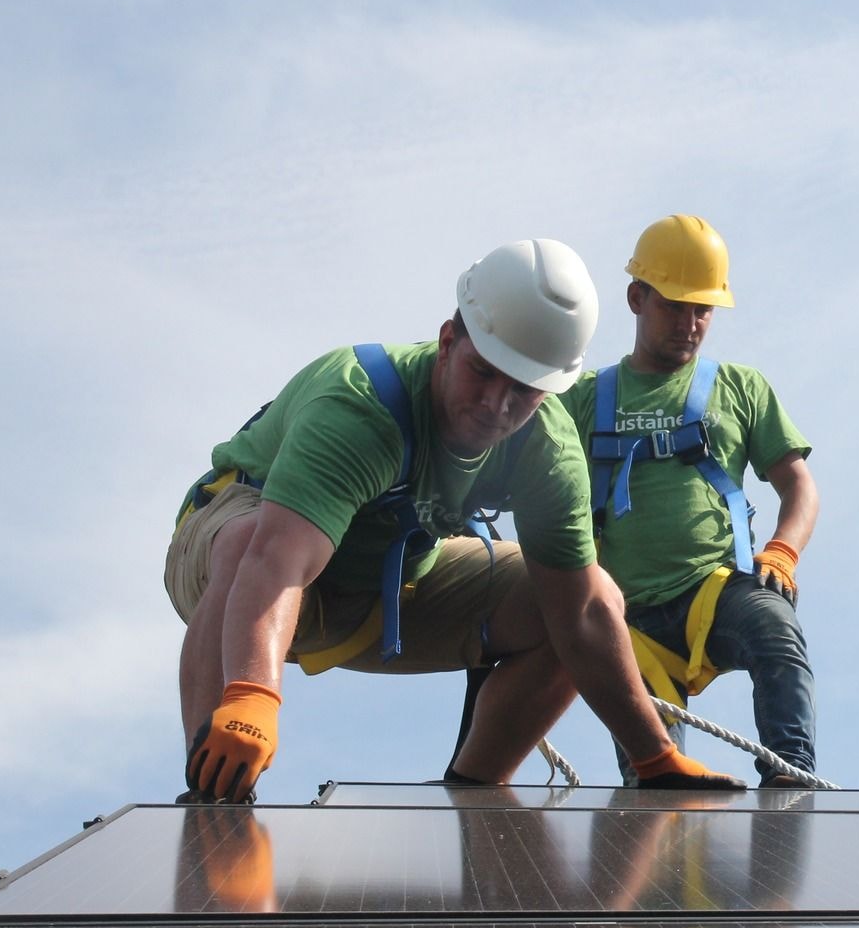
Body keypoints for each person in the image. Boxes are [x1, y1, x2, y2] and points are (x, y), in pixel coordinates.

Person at [164, 238, 744, 801]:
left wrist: (653, 757)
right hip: (246, 570)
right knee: (244, 541)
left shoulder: (547, 450)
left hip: (384, 590)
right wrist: (252, 697)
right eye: (484, 372)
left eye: (524, 390)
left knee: (589, 594)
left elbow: (584, 617)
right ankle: (219, 795)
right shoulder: (361, 403)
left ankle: (471, 799)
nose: (497, 405)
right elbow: (277, 561)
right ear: (448, 341)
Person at [559, 215, 821, 786]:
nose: (690, 323)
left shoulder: (739, 388)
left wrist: (783, 552)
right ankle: (661, 852)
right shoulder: (581, 401)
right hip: (624, 618)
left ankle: (792, 778)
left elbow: (798, 485)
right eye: (674, 306)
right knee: (656, 781)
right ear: (637, 298)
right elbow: (535, 492)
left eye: (702, 309)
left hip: (713, 589)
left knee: (775, 630)